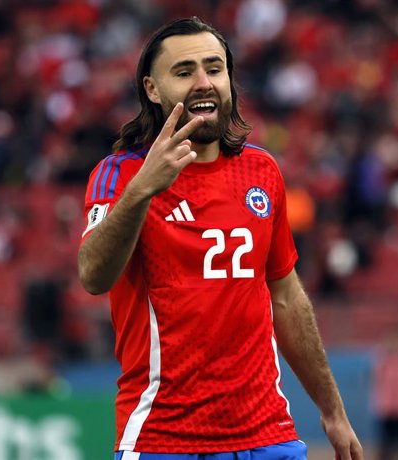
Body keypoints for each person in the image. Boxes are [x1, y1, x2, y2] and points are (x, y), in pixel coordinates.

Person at [77, 17, 362, 460]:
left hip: (268, 436)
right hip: (162, 439)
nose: (203, 83)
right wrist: (143, 189)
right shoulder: (119, 175)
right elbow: (93, 276)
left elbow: (286, 298)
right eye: (184, 72)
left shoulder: (262, 171)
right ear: (152, 89)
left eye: (214, 68)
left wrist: (333, 411)